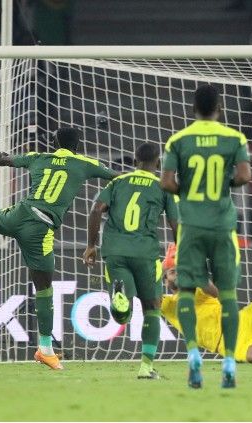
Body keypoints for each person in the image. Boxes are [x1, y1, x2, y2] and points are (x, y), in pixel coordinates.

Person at [0, 127, 117, 370]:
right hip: (40, 229)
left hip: (18, 214)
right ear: (78, 146)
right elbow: (116, 176)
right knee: (44, 289)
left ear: (54, 142)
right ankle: (45, 349)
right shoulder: (84, 163)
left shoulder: (38, 157)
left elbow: (3, 157)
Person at [161, 84, 252, 389]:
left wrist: (187, 189)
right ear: (219, 107)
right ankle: (228, 361)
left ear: (193, 108)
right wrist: (222, 184)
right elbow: (243, 177)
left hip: (191, 225)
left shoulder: (178, 140)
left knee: (185, 291)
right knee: (227, 295)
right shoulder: (234, 138)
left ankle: (192, 356)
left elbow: (166, 182)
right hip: (223, 225)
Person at [83, 142, 179, 379]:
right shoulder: (163, 187)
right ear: (158, 163)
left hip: (114, 251)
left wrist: (91, 245)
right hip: (145, 253)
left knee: (122, 313)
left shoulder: (117, 181)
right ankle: (146, 367)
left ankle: (121, 301)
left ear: (135, 161)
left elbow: (96, 210)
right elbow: (176, 223)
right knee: (152, 309)